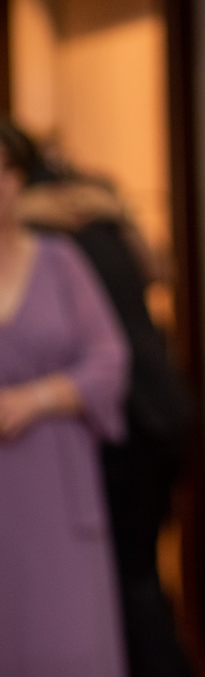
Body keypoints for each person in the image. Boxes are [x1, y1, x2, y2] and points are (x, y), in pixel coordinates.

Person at [18, 151, 197, 677]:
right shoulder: (92, 211)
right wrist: (116, 208)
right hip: (163, 409)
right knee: (137, 576)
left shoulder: (47, 247)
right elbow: (160, 272)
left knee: (126, 580)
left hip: (129, 419)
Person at [0, 121, 131, 677]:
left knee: (70, 644)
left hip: (55, 477)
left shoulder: (60, 260)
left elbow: (110, 361)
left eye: (4, 169)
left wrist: (38, 398)